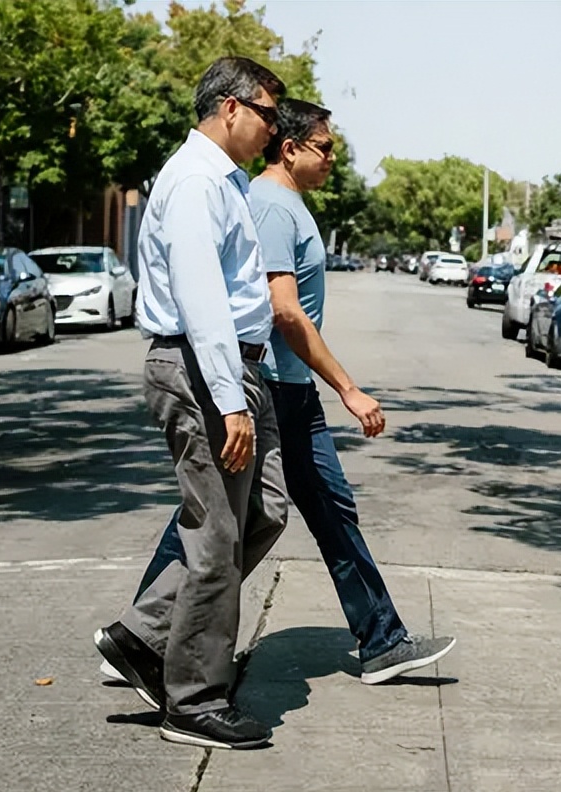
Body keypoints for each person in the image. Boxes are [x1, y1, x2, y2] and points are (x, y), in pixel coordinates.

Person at [127, 99, 455, 685]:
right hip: (275, 385)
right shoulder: (272, 206)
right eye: (324, 147)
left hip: (284, 385)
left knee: (250, 516)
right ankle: (147, 637)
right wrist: (348, 389)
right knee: (237, 518)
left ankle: (142, 635)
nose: (332, 158)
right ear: (291, 148)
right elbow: (283, 310)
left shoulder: (283, 203)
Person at [93, 56, 290, 751]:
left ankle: (145, 636)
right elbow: (202, 296)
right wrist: (230, 400)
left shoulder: (221, 181)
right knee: (217, 537)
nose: (275, 128)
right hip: (206, 367)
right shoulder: (196, 181)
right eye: (269, 113)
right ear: (231, 107)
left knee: (265, 511)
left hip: (232, 368)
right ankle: (193, 700)